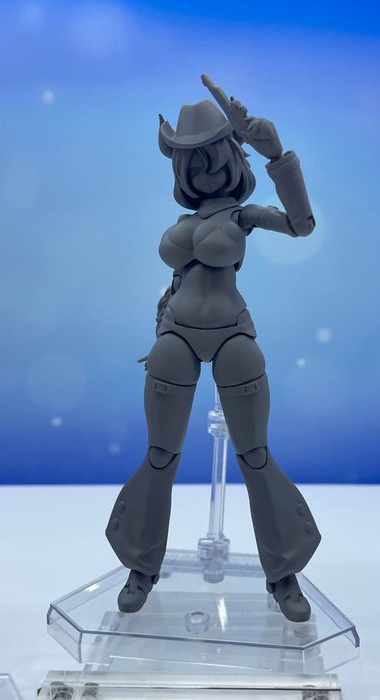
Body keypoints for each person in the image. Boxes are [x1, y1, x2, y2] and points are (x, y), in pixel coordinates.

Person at [105, 78, 321, 621]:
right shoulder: (183, 224)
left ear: (231, 157)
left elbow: (301, 225)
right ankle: (141, 565)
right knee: (161, 454)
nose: (203, 170)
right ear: (180, 170)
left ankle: (284, 572)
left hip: (232, 335)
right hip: (176, 334)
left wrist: (278, 154)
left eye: (212, 157)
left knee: (255, 454)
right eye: (191, 161)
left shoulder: (243, 216)